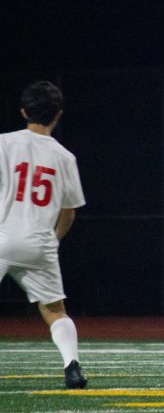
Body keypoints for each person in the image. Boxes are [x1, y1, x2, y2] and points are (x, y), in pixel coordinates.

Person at [0, 81, 88, 389]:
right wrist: (54, 239)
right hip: (40, 243)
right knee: (54, 310)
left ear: (23, 112)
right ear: (58, 115)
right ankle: (72, 366)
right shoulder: (64, 157)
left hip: (2, 236)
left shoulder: (4, 143)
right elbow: (69, 212)